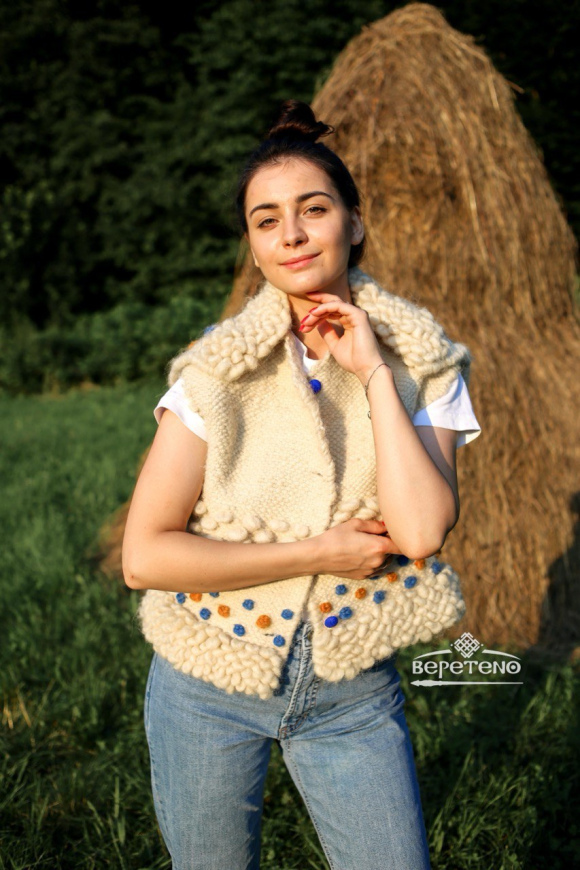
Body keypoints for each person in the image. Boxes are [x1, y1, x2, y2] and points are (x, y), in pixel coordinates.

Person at [122, 99, 481, 870]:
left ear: (353, 223)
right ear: (254, 248)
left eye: (313, 209)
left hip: (351, 689)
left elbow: (421, 532)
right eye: (267, 220)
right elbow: (143, 557)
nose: (291, 233)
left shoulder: (426, 364)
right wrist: (317, 552)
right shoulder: (213, 373)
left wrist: (374, 373)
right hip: (205, 682)